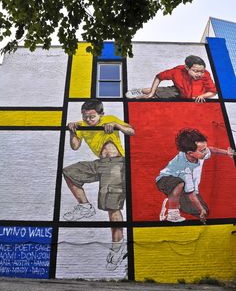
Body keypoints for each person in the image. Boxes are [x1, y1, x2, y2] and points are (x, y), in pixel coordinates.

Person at [63, 99, 135, 271]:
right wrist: (73, 131)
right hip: (99, 164)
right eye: (85, 117)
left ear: (100, 114)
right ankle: (85, 206)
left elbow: (131, 131)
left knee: (112, 207)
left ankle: (117, 247)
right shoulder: (81, 124)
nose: (88, 120)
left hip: (115, 163)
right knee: (70, 172)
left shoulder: (109, 118)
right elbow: (74, 147)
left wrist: (116, 125)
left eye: (92, 117)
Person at [156, 128, 234, 223]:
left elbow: (211, 150)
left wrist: (227, 152)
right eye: (202, 150)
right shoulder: (184, 168)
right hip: (165, 180)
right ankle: (172, 212)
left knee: (203, 211)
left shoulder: (199, 153)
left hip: (184, 186)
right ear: (190, 153)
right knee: (179, 184)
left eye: (205, 148)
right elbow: (191, 194)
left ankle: (177, 200)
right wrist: (201, 209)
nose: (206, 152)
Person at [126, 55, 217, 103]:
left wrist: (202, 96)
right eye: (195, 71)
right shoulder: (177, 71)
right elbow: (158, 77)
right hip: (178, 91)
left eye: (201, 71)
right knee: (154, 95)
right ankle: (139, 91)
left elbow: (213, 91)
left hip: (191, 96)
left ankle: (145, 94)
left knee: (158, 93)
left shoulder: (206, 75)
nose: (199, 74)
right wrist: (151, 94)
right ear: (186, 67)